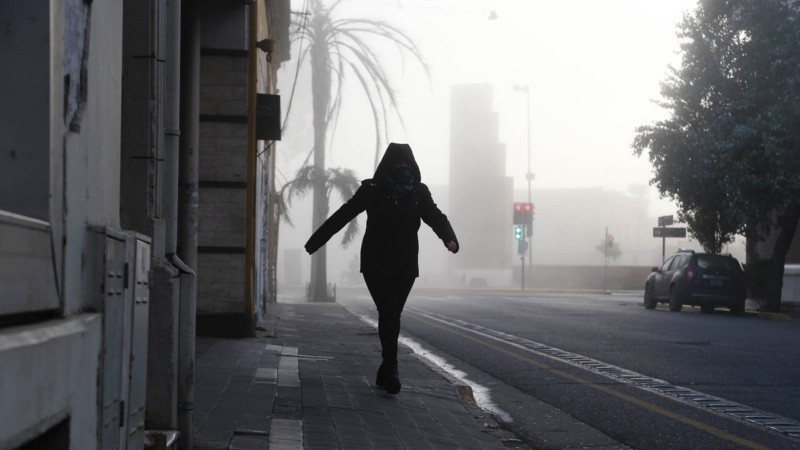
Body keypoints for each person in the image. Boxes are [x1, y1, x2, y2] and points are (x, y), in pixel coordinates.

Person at [304, 143, 459, 395]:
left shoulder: (419, 192)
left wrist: (449, 238)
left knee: (392, 313)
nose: (401, 168)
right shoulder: (372, 189)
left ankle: (386, 369)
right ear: (386, 165)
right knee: (388, 311)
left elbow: (435, 216)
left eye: (406, 164)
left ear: (413, 166)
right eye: (396, 163)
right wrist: (316, 242)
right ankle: (393, 370)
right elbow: (344, 214)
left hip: (406, 262)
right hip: (376, 262)